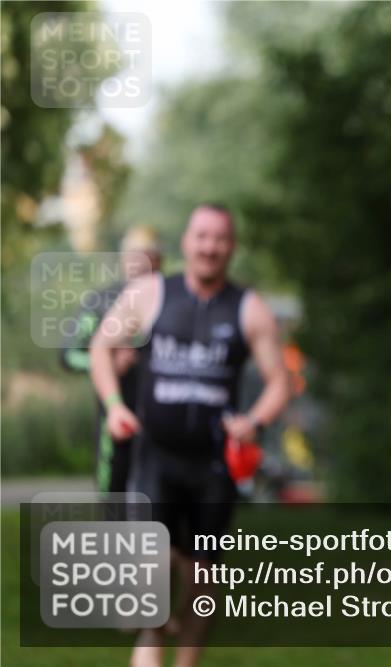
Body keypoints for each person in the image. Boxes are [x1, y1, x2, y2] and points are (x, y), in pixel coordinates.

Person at [90, 203, 291, 667]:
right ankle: (152, 635)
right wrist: (115, 406)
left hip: (213, 465)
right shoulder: (151, 294)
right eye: (202, 236)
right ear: (186, 241)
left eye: (220, 238)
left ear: (231, 246)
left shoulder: (248, 307)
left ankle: (187, 659)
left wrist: (253, 422)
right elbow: (102, 345)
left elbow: (280, 381)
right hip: (154, 456)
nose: (210, 247)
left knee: (202, 575)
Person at [60, 225, 162, 494]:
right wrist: (109, 365)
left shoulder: (170, 298)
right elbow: (67, 355)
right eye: (132, 256)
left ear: (158, 261)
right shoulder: (100, 301)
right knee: (113, 497)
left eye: (146, 256)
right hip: (114, 413)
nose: (138, 263)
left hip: (160, 417)